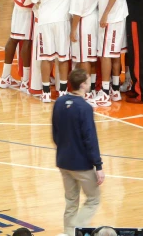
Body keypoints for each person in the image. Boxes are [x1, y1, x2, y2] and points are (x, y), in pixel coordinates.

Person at [51, 67, 104, 235]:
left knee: (71, 200)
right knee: (94, 199)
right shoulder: (85, 108)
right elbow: (90, 139)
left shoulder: (59, 102)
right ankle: (76, 231)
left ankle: (67, 232)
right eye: (88, 81)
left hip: (63, 161)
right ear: (82, 85)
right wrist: (99, 165)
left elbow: (55, 133)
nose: (90, 84)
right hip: (81, 164)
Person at [95, 0, 127, 106]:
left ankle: (105, 93)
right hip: (120, 13)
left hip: (112, 16)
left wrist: (105, 14)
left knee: (106, 55)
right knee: (114, 55)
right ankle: (115, 90)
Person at [69, 0, 100, 103]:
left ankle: (87, 92)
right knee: (92, 57)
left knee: (85, 58)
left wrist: (73, 30)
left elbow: (76, 12)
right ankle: (92, 88)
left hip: (85, 22)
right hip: (95, 19)